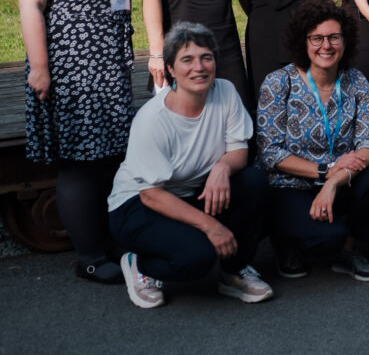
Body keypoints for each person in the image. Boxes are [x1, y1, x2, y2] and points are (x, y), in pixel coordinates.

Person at [16, 0, 137, 283]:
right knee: (80, 164)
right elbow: (30, 6)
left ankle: (111, 243)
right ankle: (88, 255)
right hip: (72, 68)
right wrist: (40, 68)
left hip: (109, 67)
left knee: (110, 159)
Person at [108, 22, 272, 309]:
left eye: (206, 57)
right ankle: (140, 264)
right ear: (170, 69)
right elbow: (151, 193)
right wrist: (211, 227)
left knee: (253, 182)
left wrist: (221, 169)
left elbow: (238, 151)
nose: (199, 67)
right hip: (139, 204)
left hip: (192, 192)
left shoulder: (225, 92)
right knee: (196, 259)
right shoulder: (152, 120)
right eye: (187, 59)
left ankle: (234, 270)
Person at [256, 0, 369, 282]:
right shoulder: (278, 83)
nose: (326, 46)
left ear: (345, 41)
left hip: (341, 180)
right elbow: (270, 153)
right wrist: (323, 171)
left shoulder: (356, 81)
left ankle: (348, 248)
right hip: (291, 185)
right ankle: (286, 242)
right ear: (303, 41)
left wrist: (334, 180)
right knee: (324, 239)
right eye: (317, 38)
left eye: (334, 37)